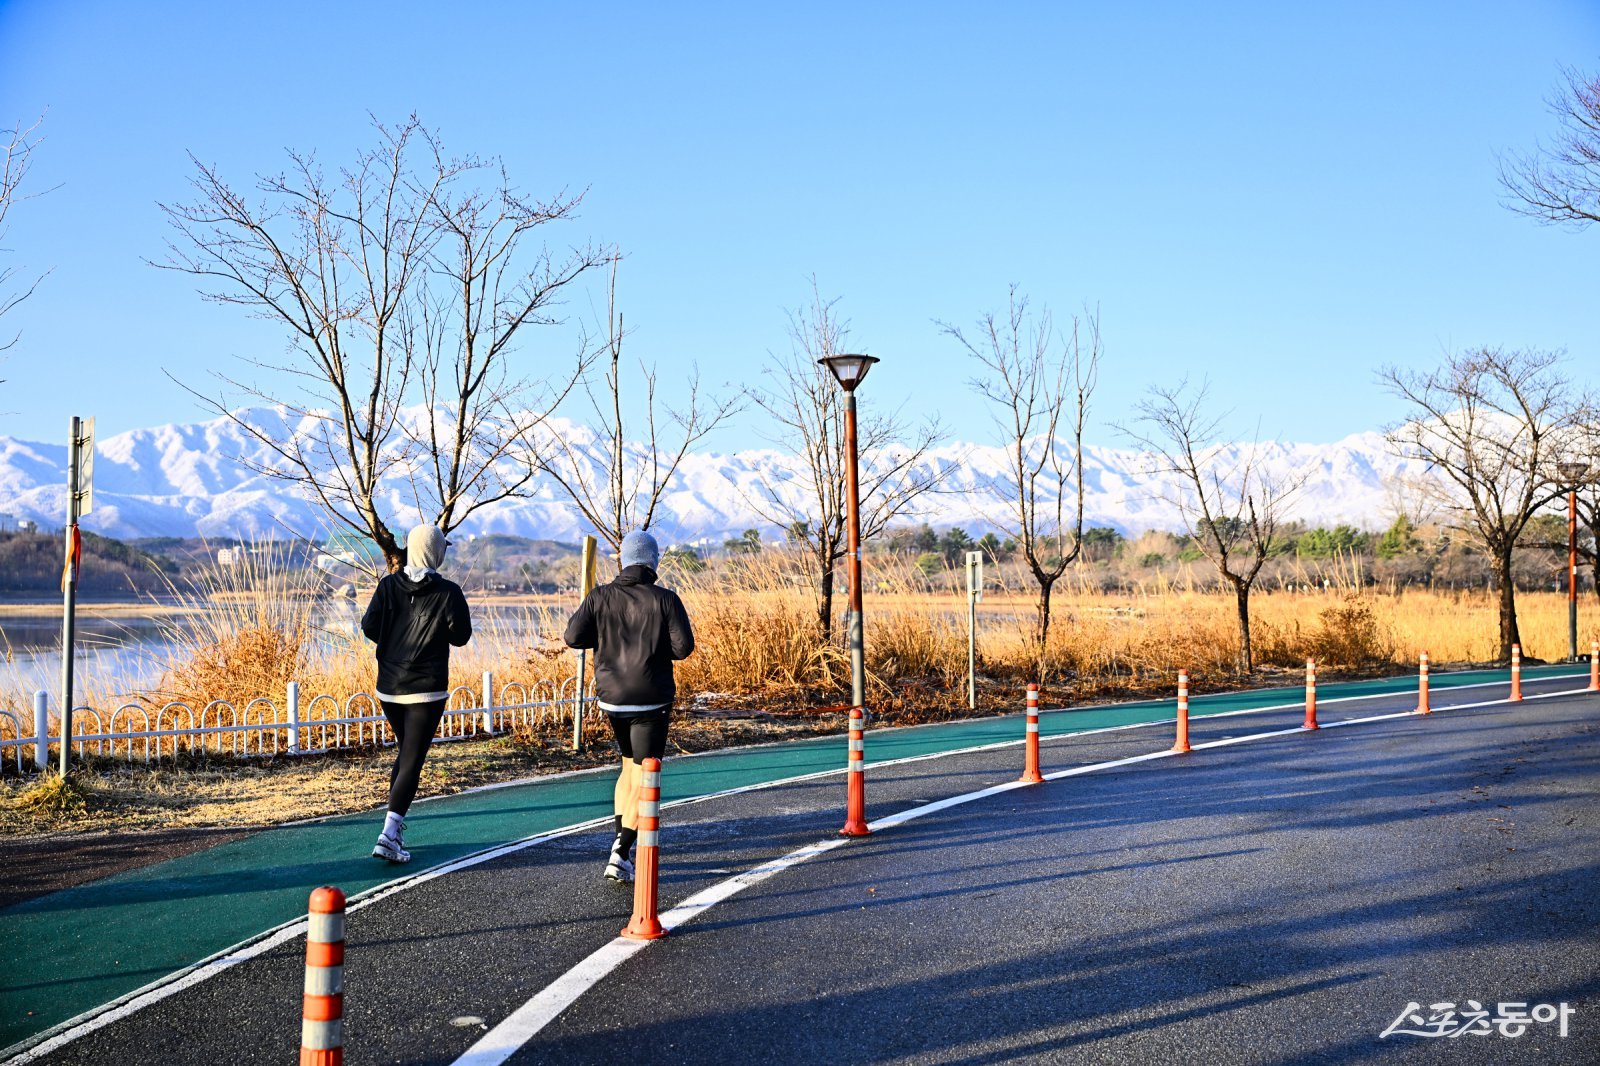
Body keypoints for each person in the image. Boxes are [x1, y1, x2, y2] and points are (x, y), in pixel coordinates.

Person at [564, 529, 695, 881]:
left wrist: (604, 639)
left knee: (627, 767)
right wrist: (654, 648)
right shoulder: (665, 599)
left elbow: (573, 637)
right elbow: (683, 648)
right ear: (652, 561)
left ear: (624, 559)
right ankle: (622, 852)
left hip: (613, 698)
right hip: (651, 699)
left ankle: (619, 842)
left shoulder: (600, 596)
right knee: (645, 773)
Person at [361, 523, 472, 863]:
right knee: (412, 758)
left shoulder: (388, 586)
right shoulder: (448, 592)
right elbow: (461, 636)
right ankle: (389, 834)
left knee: (406, 754)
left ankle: (392, 829)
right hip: (426, 690)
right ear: (435, 552)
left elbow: (368, 626)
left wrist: (394, 644)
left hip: (390, 688)